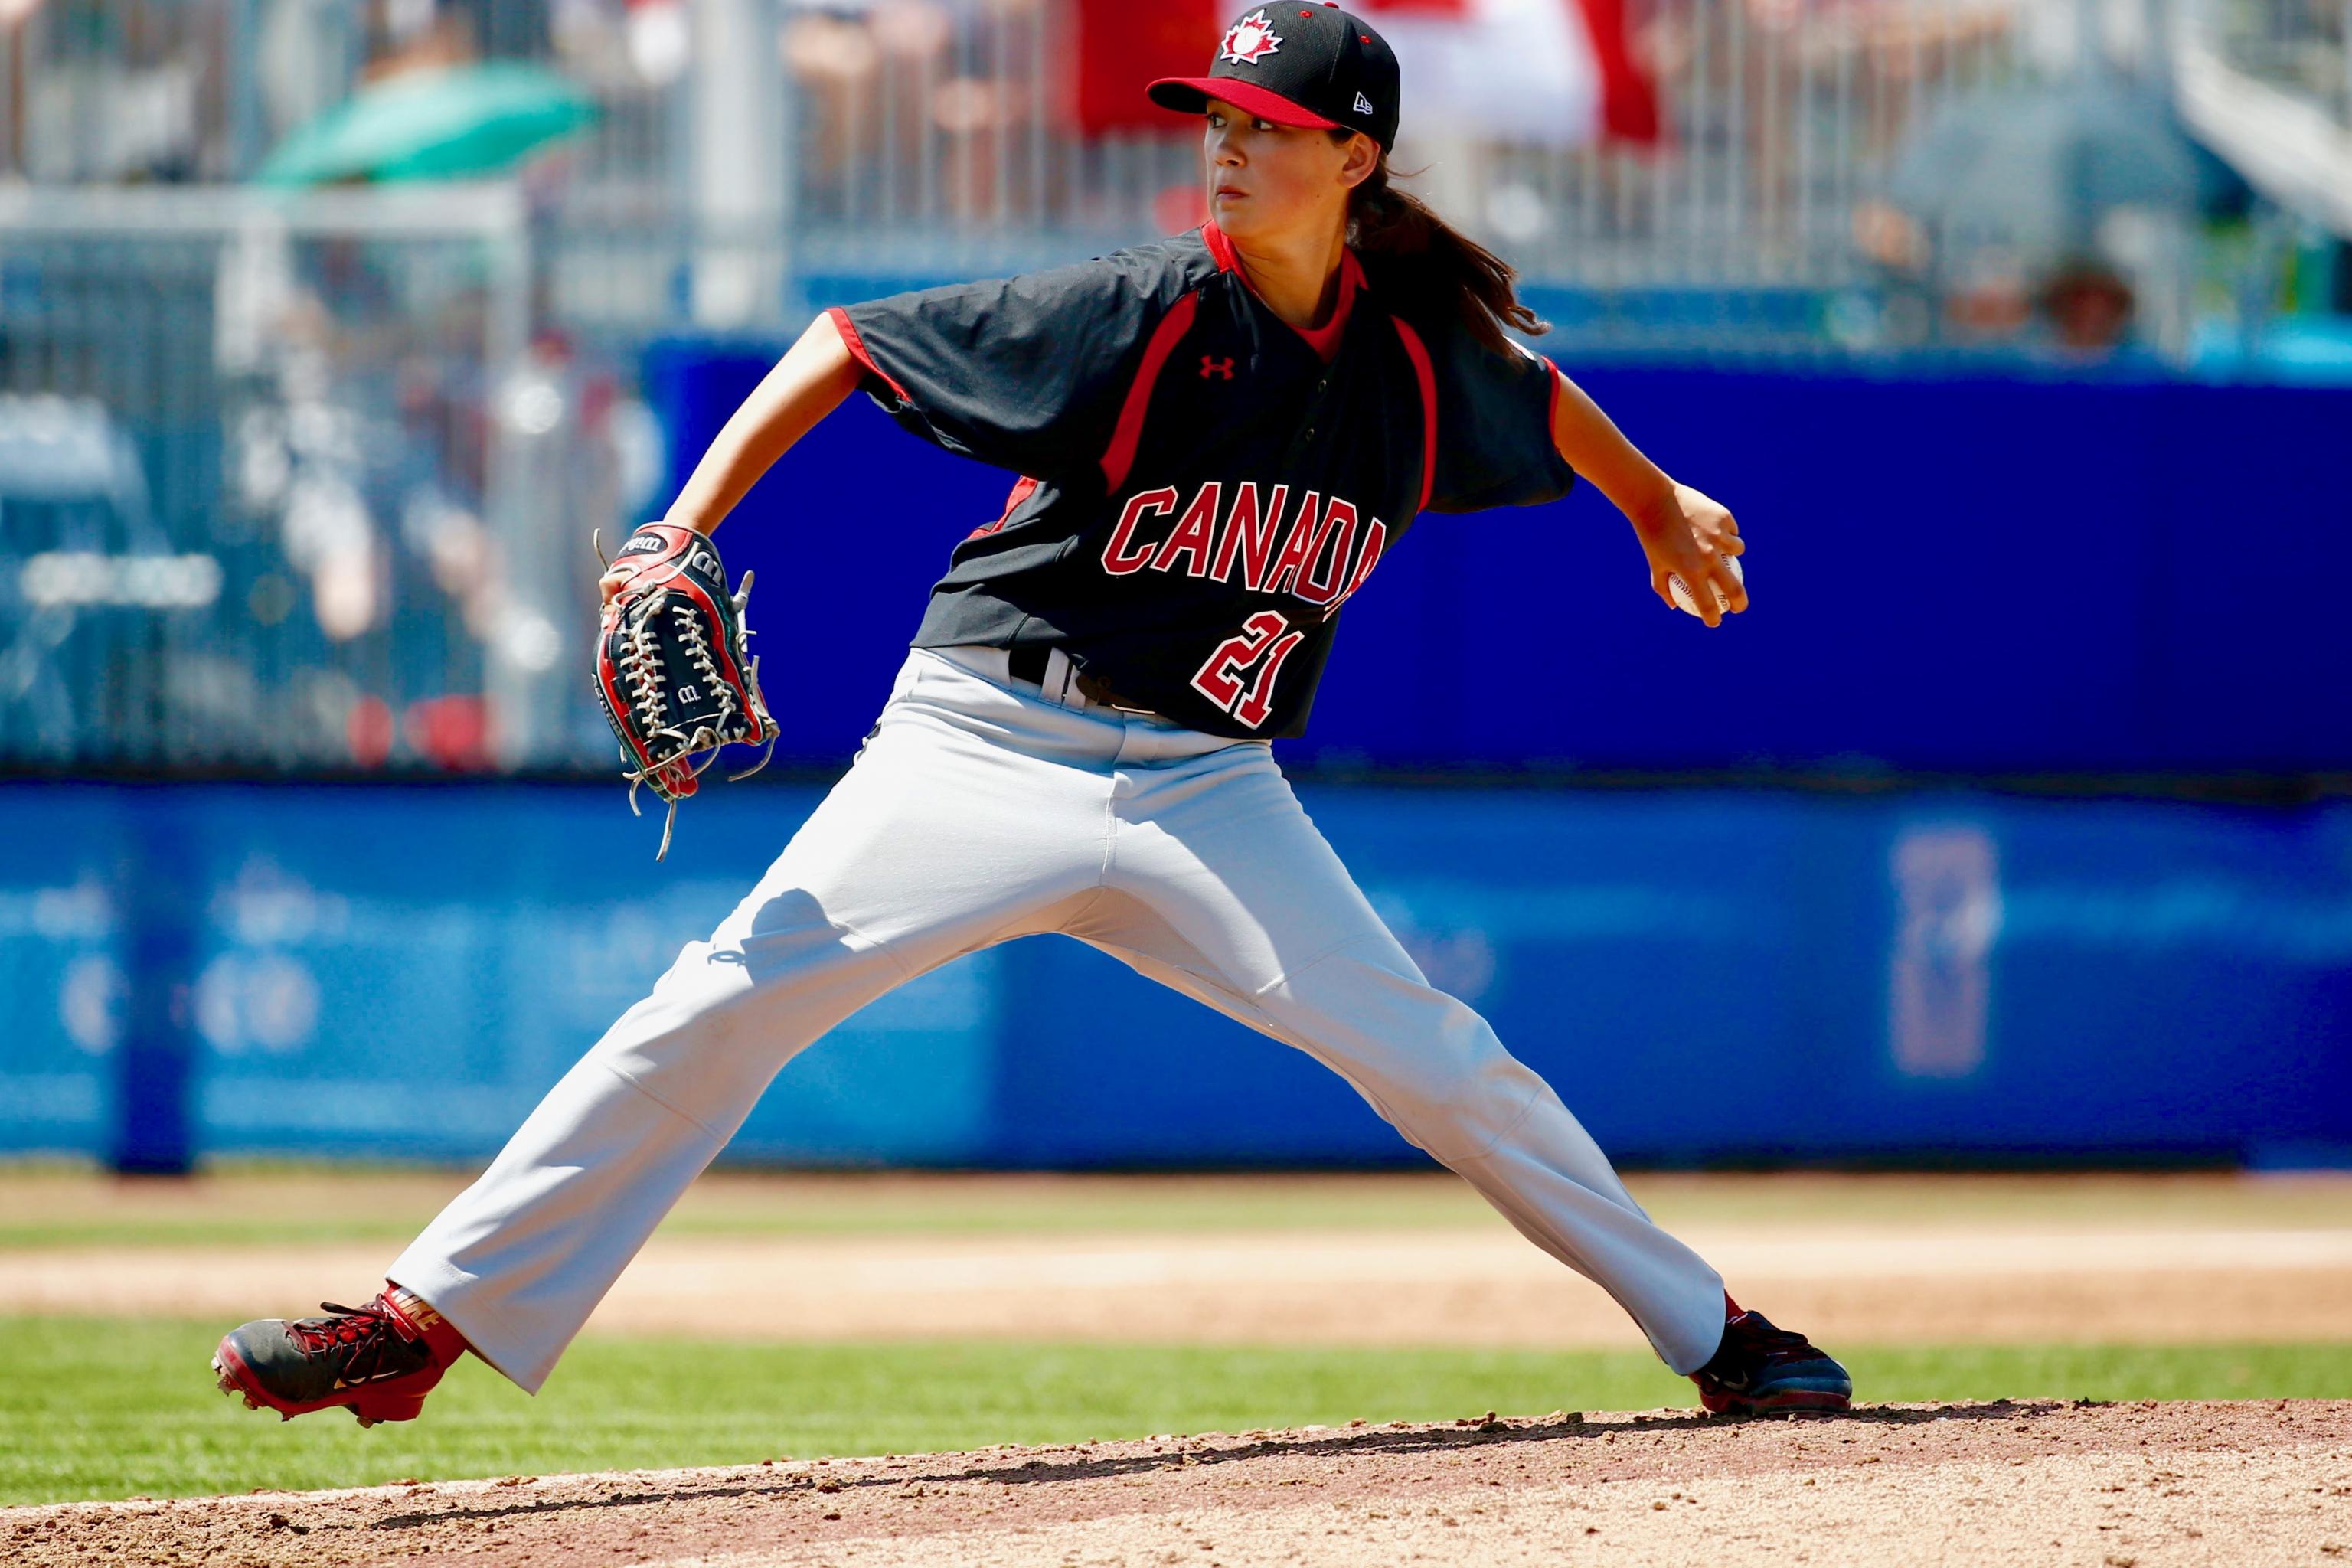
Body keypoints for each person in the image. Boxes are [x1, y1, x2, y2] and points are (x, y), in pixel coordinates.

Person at [212, 2, 1851, 1430]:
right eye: (1217, 113)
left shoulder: (1417, 365)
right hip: (990, 741)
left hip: (1214, 788)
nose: (1227, 143)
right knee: (721, 1002)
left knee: (1439, 1059)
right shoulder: (1134, 311)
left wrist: (1654, 507)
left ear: (1357, 159)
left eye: (1270, 123)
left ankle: (1714, 1332)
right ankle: (421, 1320)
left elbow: (1540, 400)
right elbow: (842, 342)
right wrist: (675, 531)